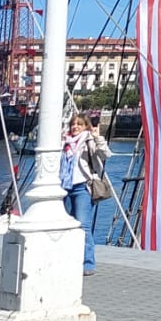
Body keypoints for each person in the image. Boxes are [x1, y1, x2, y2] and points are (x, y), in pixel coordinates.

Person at [61, 113, 112, 275]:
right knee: (65, 225)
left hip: (82, 187)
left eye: (79, 124)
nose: (75, 127)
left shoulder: (88, 141)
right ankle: (68, 259)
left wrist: (98, 138)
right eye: (73, 124)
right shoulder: (64, 142)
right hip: (64, 187)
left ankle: (87, 263)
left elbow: (105, 155)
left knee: (83, 225)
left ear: (86, 127)